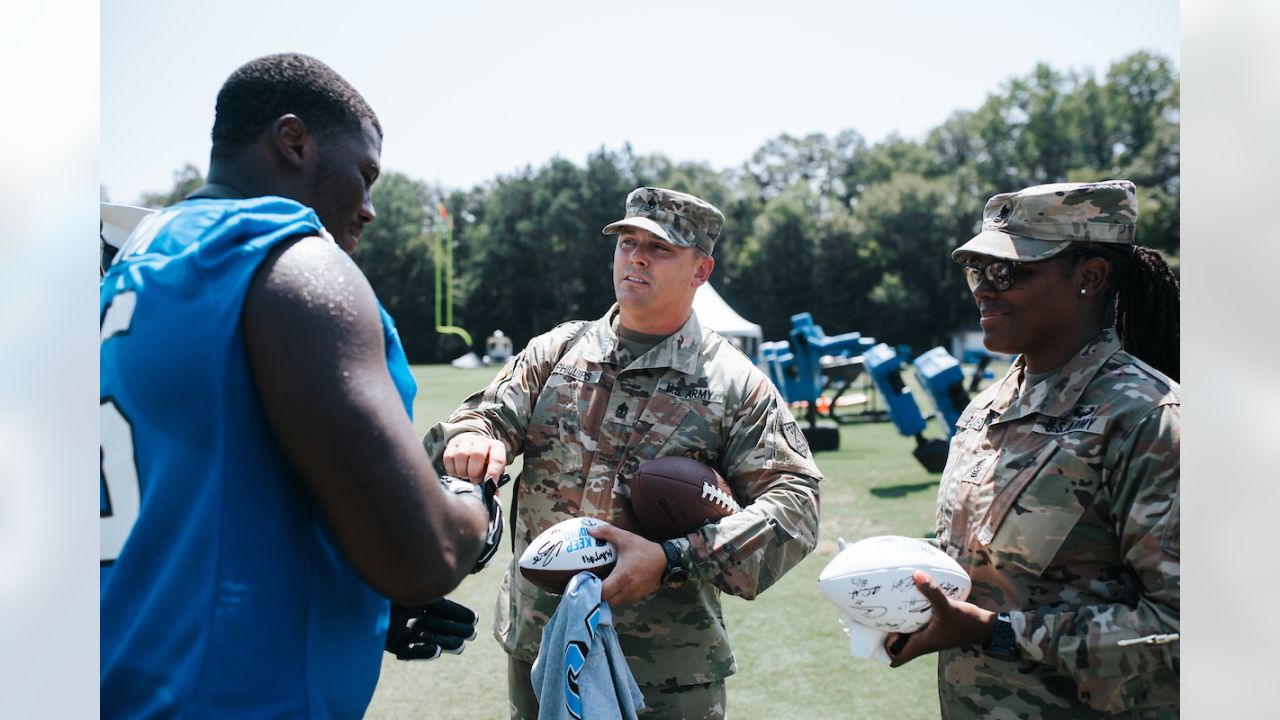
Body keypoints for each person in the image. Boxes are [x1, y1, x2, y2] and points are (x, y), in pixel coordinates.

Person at [100, 53, 499, 718]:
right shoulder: (285, 259)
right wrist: (471, 505)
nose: (369, 208)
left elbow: (196, 506)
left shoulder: (132, 265)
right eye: (364, 175)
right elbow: (421, 557)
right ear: (294, 141)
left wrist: (359, 606)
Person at [422, 187, 823, 719]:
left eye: (660, 248)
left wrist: (674, 559)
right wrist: (473, 436)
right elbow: (482, 417)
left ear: (701, 271)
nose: (636, 256)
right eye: (627, 241)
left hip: (665, 667)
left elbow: (796, 507)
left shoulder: (734, 385)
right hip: (542, 642)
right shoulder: (557, 351)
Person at [886, 180, 1180, 718]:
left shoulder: (1149, 419)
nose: (982, 289)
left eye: (1007, 271)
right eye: (977, 271)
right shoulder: (985, 409)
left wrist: (996, 632)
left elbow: (1186, 631)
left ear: (1089, 278)